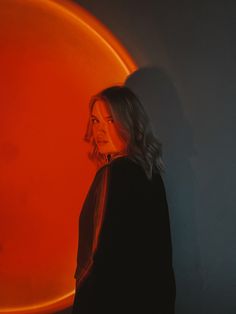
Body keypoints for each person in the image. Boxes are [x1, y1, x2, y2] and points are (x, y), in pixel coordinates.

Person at [72, 85, 176, 314]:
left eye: (109, 120)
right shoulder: (150, 174)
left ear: (128, 122)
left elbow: (96, 258)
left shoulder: (114, 173)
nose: (99, 130)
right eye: (95, 121)